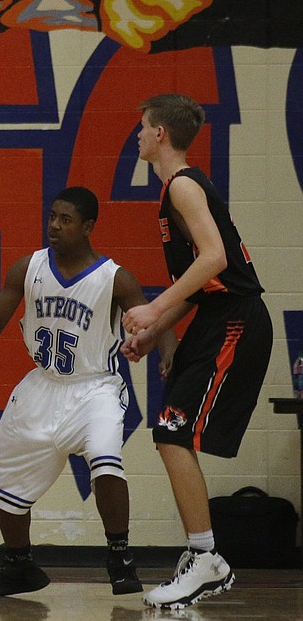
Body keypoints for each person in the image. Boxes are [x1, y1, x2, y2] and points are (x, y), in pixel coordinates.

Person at [0, 186, 176, 598]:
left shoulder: (114, 278)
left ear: (88, 227)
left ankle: (120, 556)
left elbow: (155, 322)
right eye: (52, 217)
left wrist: (168, 356)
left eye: (66, 220)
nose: (54, 226)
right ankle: (19, 564)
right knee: (2, 474)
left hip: (95, 387)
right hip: (43, 384)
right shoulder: (28, 268)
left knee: (106, 460)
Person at [121, 94, 273, 610]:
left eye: (142, 127)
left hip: (234, 319)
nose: (137, 135)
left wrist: (152, 308)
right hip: (216, 316)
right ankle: (202, 555)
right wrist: (153, 329)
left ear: (160, 132)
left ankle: (206, 557)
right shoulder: (179, 188)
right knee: (169, 433)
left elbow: (215, 259)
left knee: (171, 431)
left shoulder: (183, 185)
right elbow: (196, 285)